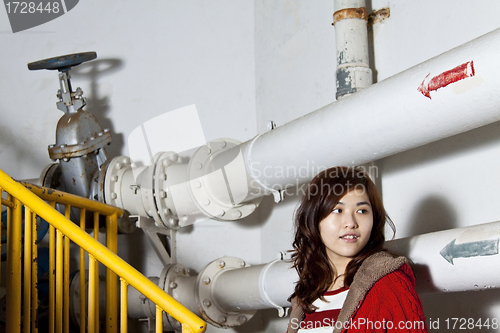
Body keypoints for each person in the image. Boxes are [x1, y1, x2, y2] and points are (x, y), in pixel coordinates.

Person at [287, 166, 427, 333]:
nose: (351, 222)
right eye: (338, 210)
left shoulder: (388, 285)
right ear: (314, 219)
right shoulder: (306, 296)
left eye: (362, 211)